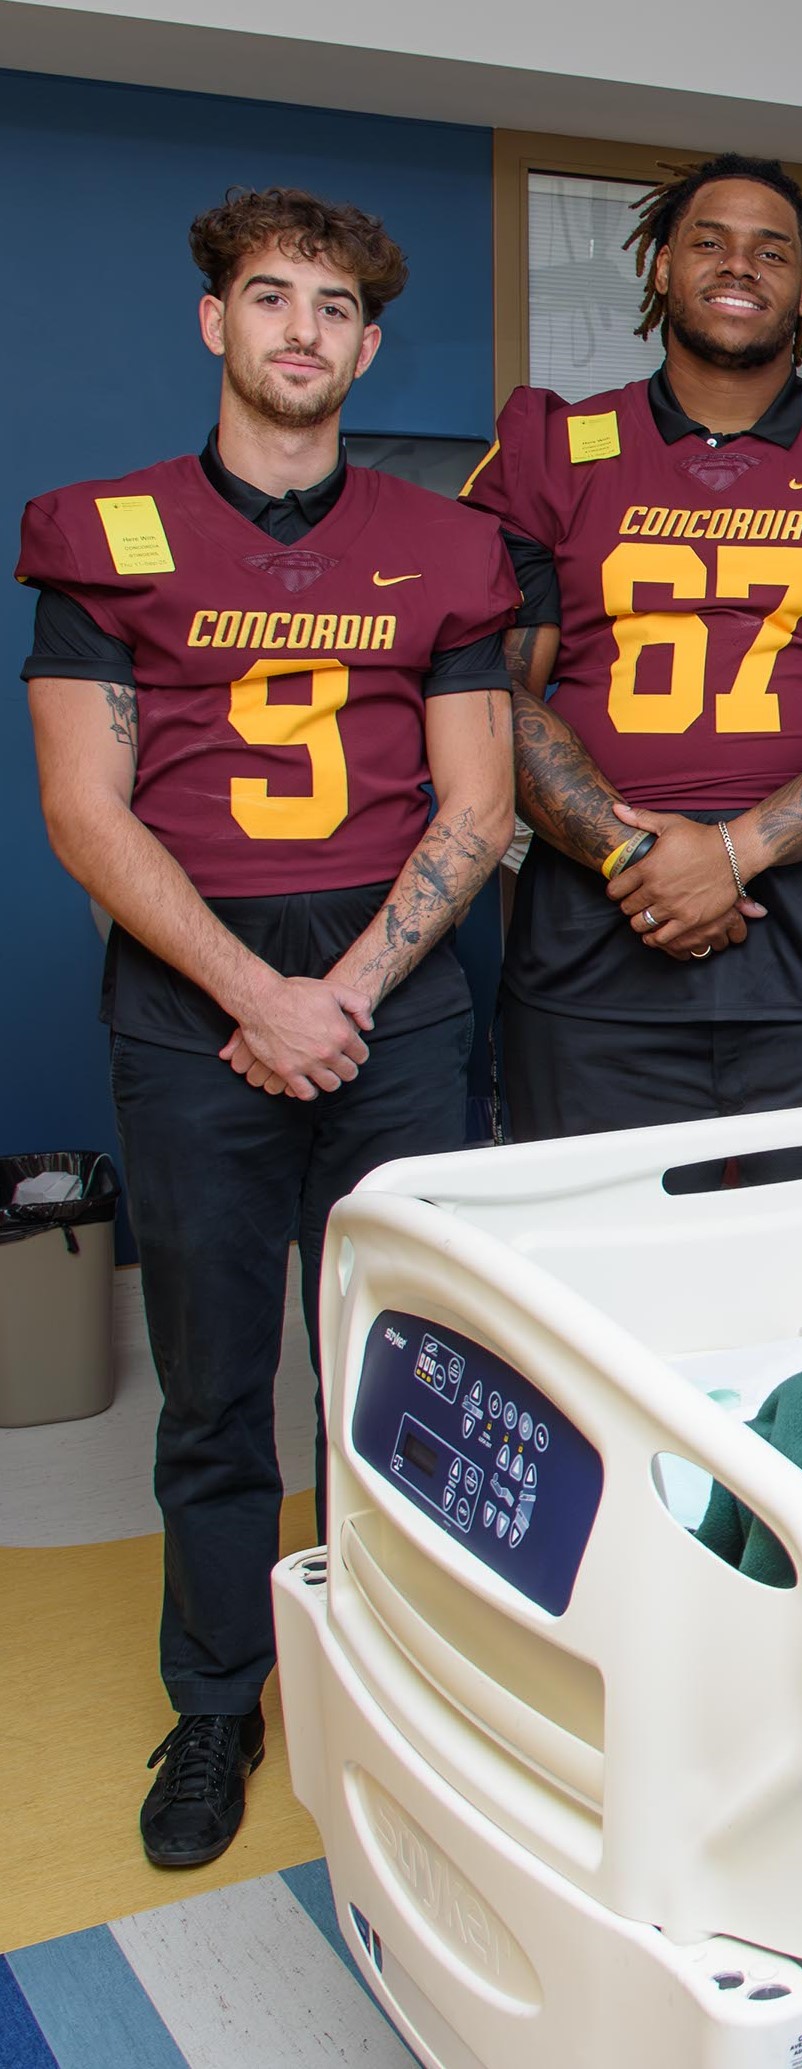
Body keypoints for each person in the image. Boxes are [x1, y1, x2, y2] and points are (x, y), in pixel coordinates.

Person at [18, 188, 517, 1866]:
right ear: (214, 322)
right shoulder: (105, 531)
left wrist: (346, 991)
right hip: (198, 991)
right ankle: (219, 1692)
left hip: (393, 981)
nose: (300, 328)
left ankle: (414, 1674)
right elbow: (85, 811)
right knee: (221, 1378)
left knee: (408, 1371)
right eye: (269, 297)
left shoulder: (444, 541)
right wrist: (255, 995)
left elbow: (477, 796)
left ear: (369, 348)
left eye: (333, 309)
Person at [463, 153, 802, 1141]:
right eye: (708, 241)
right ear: (660, 267)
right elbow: (489, 693)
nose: (737, 265)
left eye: (770, 250)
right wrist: (637, 854)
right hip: (599, 950)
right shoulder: (551, 451)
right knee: (591, 1267)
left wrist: (735, 855)